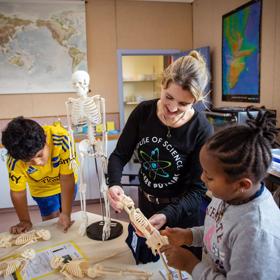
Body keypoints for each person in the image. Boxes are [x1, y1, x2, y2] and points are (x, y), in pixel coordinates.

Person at [107, 51, 213, 263]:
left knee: (180, 268)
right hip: (145, 205)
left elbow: (198, 190)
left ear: (196, 101)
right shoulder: (143, 113)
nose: (172, 109)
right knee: (144, 262)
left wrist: (167, 215)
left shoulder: (201, 129)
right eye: (169, 97)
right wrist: (114, 183)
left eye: (183, 104)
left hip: (181, 214)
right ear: (162, 85)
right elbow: (119, 155)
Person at [160, 107, 280, 279]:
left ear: (242, 184)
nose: (202, 178)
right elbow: (218, 233)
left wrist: (190, 265)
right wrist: (189, 236)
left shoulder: (257, 235)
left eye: (209, 177)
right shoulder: (227, 195)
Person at [1, 116, 78, 234]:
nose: (38, 163)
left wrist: (66, 213)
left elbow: (67, 178)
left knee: (65, 218)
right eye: (29, 161)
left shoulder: (62, 139)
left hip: (67, 180)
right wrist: (24, 220)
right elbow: (18, 192)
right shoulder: (14, 161)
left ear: (46, 140)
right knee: (51, 224)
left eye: (39, 155)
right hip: (42, 189)